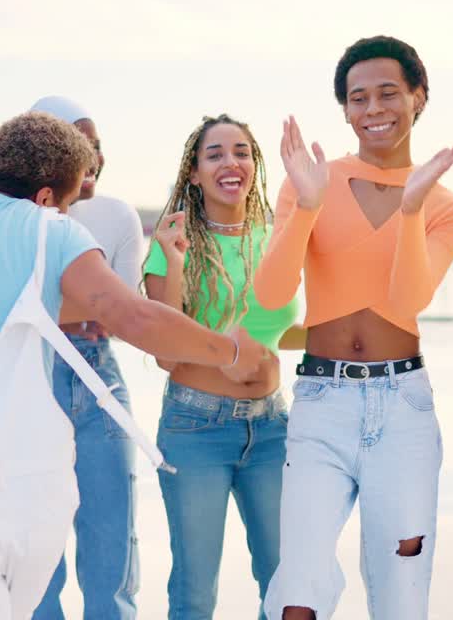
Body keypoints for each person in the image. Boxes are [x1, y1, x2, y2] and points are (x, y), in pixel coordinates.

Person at [0, 111, 269, 619]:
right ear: (48, 199)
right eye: (68, 205)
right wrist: (233, 351)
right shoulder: (49, 231)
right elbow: (131, 315)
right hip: (30, 495)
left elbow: (15, 297)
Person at [255, 36, 453, 619]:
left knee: (401, 591)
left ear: (417, 97)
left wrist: (411, 208)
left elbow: (408, 299)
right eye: (358, 98)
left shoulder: (447, 205)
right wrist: (305, 206)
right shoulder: (311, 182)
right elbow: (273, 295)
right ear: (345, 110)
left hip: (403, 408)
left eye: (387, 94)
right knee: (297, 591)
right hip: (321, 401)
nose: (373, 109)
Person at [143, 114, 302, 619]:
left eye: (242, 152)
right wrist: (170, 261)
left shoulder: (278, 236)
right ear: (193, 172)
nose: (230, 162)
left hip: (273, 426)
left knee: (286, 582)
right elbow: (166, 348)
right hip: (196, 428)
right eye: (214, 154)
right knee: (195, 589)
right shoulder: (173, 241)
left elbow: (282, 330)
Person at [27, 96, 145, 620]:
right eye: (79, 144)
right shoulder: (15, 218)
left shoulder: (118, 215)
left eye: (96, 145)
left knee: (111, 533)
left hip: (100, 373)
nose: (92, 156)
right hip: (32, 371)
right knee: (36, 543)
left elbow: (123, 314)